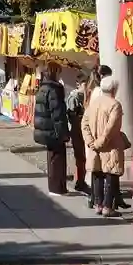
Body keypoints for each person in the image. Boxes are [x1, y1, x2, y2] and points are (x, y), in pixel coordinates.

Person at [82, 74, 128, 217]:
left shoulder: (94, 103)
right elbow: (111, 128)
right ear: (114, 89)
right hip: (110, 145)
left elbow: (84, 124)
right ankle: (108, 206)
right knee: (111, 175)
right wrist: (100, 142)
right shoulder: (115, 105)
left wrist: (91, 142)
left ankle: (98, 204)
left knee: (97, 173)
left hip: (95, 146)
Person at [31, 62, 69, 196]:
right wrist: (63, 133)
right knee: (57, 160)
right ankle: (57, 188)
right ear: (54, 72)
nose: (60, 75)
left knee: (53, 158)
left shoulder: (43, 87)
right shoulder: (54, 89)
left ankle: (57, 187)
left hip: (46, 129)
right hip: (53, 130)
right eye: (58, 72)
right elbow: (57, 114)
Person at [66, 71, 94, 198]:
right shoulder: (74, 98)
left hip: (83, 131)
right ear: (79, 84)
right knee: (79, 156)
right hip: (77, 131)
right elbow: (73, 117)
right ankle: (79, 181)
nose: (86, 86)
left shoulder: (86, 96)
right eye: (84, 84)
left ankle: (81, 180)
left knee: (82, 156)